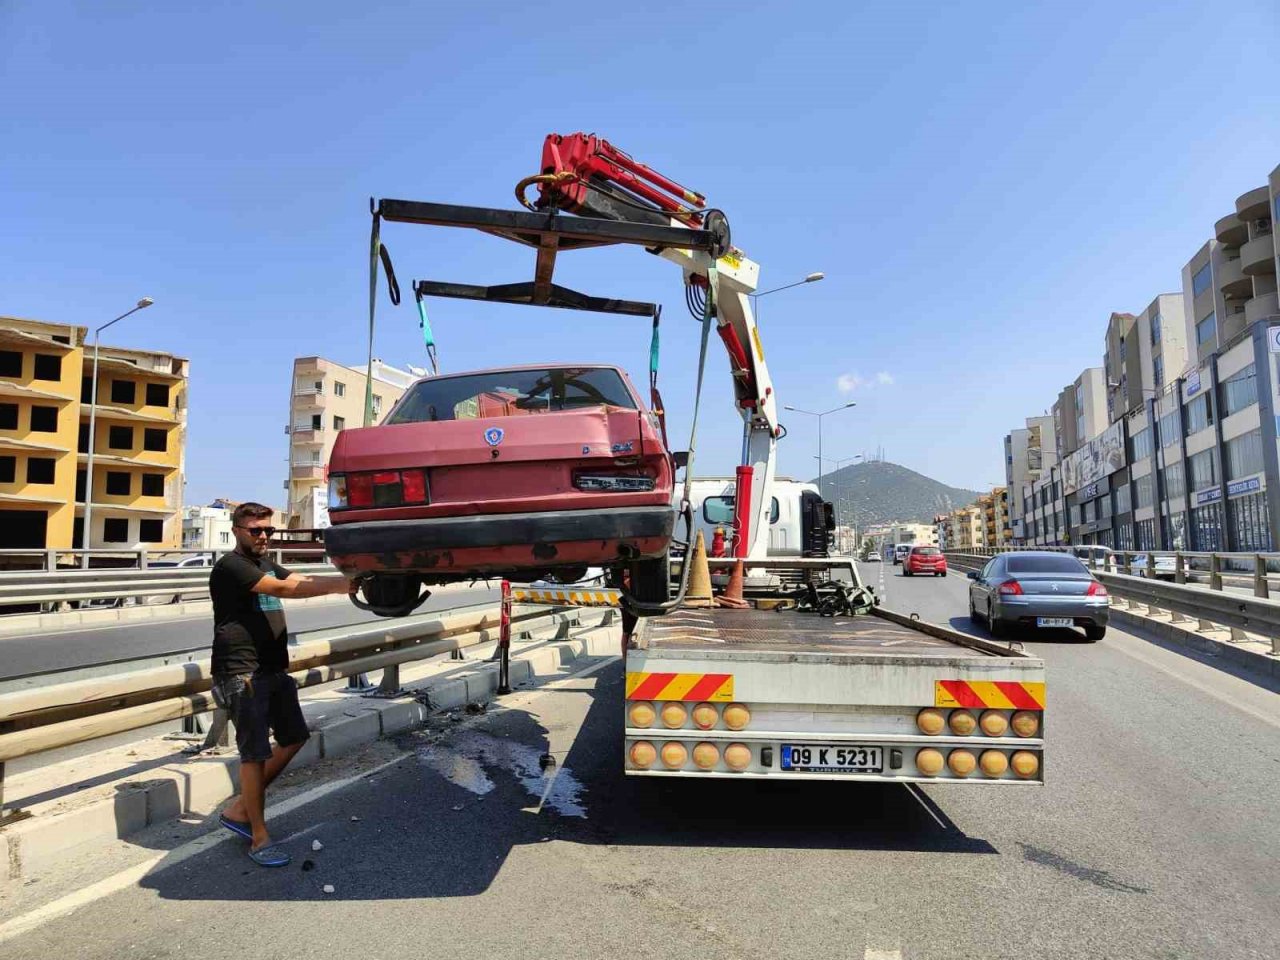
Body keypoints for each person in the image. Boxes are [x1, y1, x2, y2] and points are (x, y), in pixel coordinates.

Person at [210, 502, 356, 867]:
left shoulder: (264, 562)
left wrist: (349, 580)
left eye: (268, 531)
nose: (262, 536)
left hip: (272, 669)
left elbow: (294, 581)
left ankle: (241, 808)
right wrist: (342, 585)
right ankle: (259, 839)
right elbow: (284, 590)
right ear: (237, 531)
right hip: (243, 672)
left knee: (294, 737)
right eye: (255, 530)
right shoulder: (232, 566)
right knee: (254, 754)